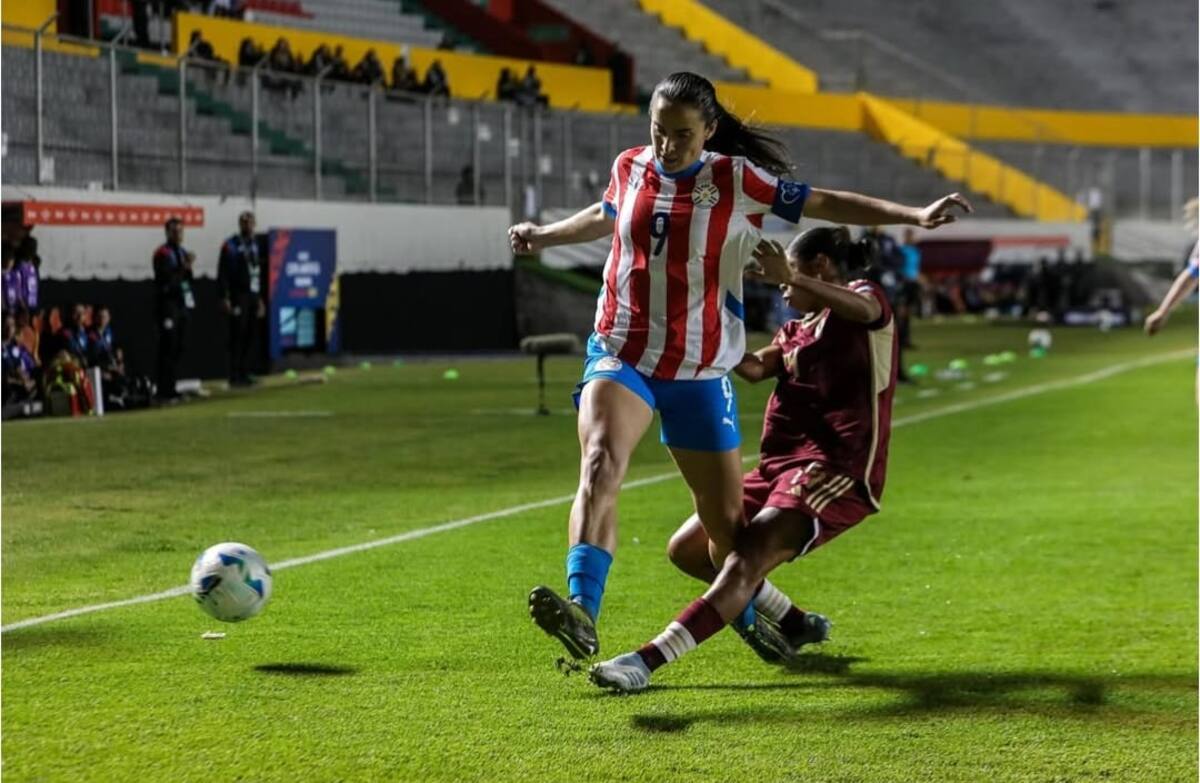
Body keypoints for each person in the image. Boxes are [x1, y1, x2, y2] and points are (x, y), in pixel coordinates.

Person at [507, 71, 970, 664]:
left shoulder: (734, 178)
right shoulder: (630, 167)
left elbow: (823, 201)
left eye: (682, 134)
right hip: (622, 349)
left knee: (726, 529)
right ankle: (582, 609)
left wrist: (913, 214)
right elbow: (605, 213)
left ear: (710, 131)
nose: (667, 145)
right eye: (658, 130)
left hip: (700, 370)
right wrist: (543, 236)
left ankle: (761, 617)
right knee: (600, 459)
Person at [589, 226, 900, 691]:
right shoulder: (796, 329)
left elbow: (866, 308)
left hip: (833, 469)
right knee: (689, 550)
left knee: (743, 561)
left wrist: (800, 281)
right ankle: (793, 621)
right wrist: (698, 318)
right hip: (779, 466)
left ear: (818, 268)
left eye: (787, 274)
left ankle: (645, 662)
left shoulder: (863, 299)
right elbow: (753, 367)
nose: (781, 285)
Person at [217, 211, 264, 387]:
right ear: (240, 224)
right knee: (238, 334)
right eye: (245, 223)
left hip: (252, 294)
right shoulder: (231, 245)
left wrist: (259, 299)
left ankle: (244, 372)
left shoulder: (255, 244)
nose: (248, 226)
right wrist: (224, 297)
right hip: (238, 295)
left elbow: (256, 273)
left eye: (251, 223)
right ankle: (234, 375)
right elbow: (222, 273)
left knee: (250, 335)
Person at [153, 217, 195, 402]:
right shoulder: (162, 253)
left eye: (180, 231)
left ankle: (171, 386)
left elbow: (187, 279)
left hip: (182, 304)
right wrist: (184, 266)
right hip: (167, 305)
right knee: (168, 347)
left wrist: (187, 268)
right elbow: (168, 280)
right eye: (174, 231)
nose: (178, 234)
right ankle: (164, 390)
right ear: (167, 232)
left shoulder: (182, 251)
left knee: (180, 346)